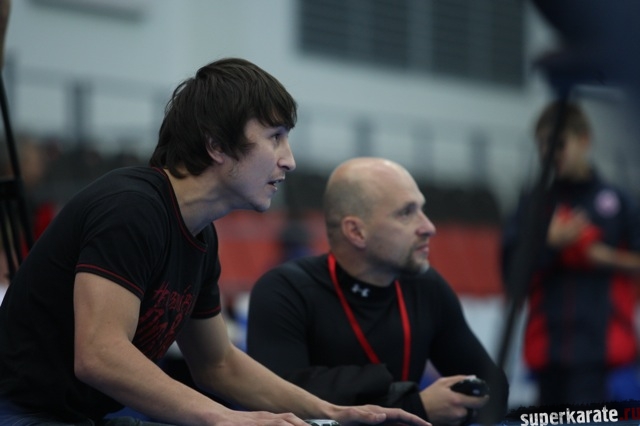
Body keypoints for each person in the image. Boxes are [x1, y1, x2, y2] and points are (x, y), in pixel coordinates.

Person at [0, 58, 430, 426]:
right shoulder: (131, 208)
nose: (290, 160)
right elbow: (99, 355)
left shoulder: (200, 234)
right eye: (275, 136)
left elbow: (218, 363)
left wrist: (330, 412)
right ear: (216, 145)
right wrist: (227, 419)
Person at [246, 157, 510, 426]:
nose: (428, 227)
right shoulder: (285, 291)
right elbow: (281, 403)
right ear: (356, 232)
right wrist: (413, 407)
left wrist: (457, 402)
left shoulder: (425, 286)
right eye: (406, 213)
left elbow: (494, 389)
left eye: (422, 209)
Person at [501, 101, 640, 406]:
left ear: (584, 140)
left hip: (602, 356)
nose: (550, 153)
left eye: (559, 144)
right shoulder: (533, 204)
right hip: (547, 354)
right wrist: (548, 243)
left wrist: (603, 257)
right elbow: (511, 276)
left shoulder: (618, 202)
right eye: (543, 145)